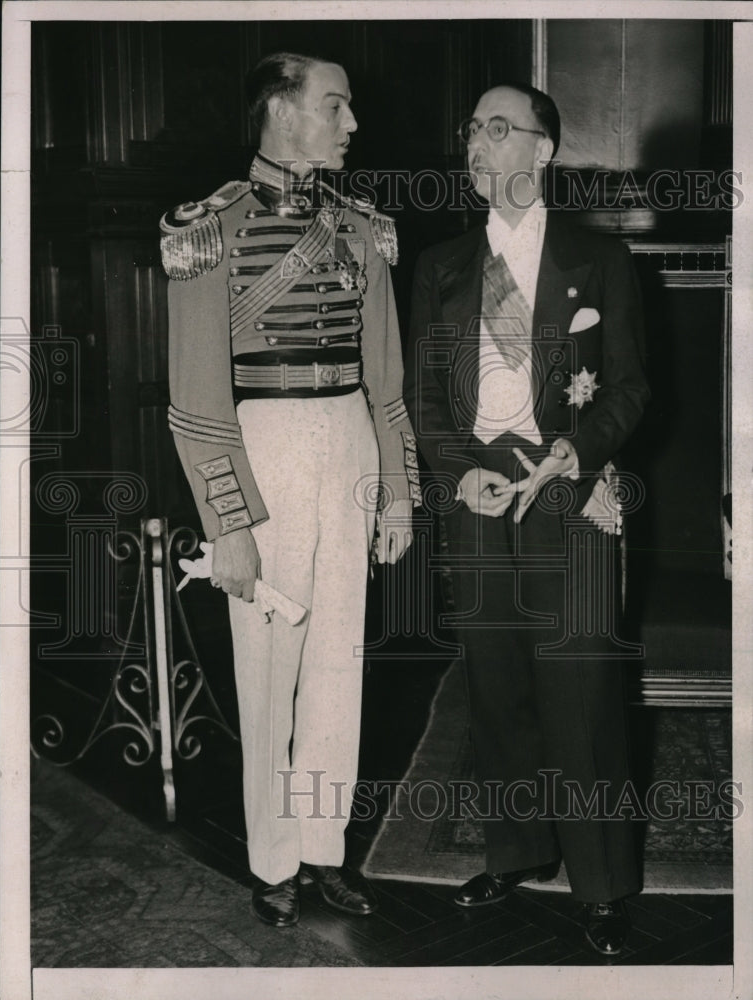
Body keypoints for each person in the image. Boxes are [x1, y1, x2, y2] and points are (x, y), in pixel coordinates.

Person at [160, 52, 419, 928]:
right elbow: (195, 400)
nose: (351, 125)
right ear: (280, 110)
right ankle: (271, 858)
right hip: (260, 448)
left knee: (339, 662)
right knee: (267, 672)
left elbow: (384, 378)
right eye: (334, 106)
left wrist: (395, 489)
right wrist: (228, 525)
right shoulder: (209, 229)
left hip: (347, 445)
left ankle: (322, 848)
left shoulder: (362, 228)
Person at [403, 82, 649, 956]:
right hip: (477, 491)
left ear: (541, 150)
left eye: (498, 129)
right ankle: (517, 849)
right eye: (471, 128)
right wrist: (456, 473)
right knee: (495, 683)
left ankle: (603, 883)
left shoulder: (597, 260)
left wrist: (578, 454)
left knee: (580, 689)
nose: (476, 143)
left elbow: (629, 386)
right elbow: (423, 396)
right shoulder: (439, 265)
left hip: (566, 485)